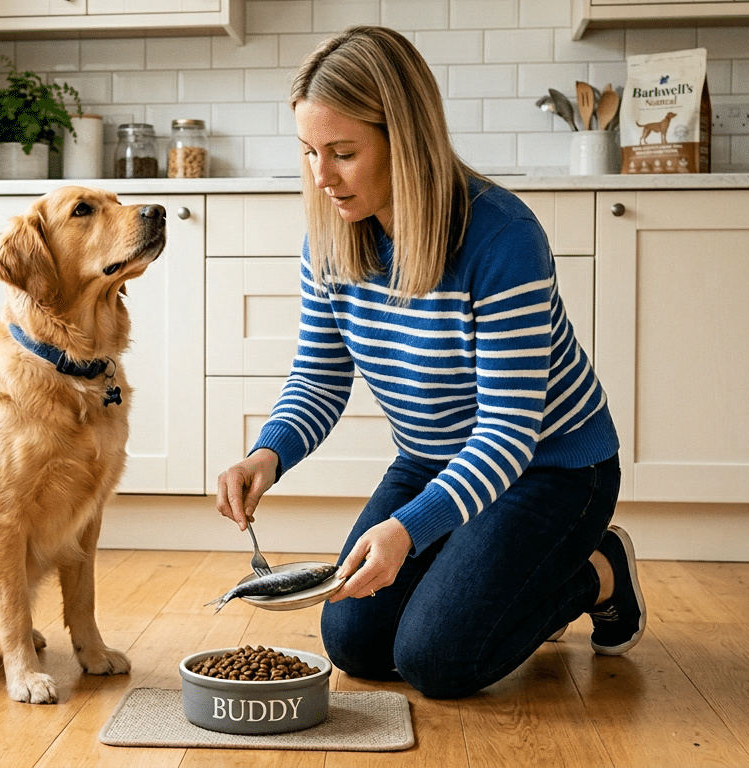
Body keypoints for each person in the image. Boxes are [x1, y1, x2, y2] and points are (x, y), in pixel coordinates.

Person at [214, 26, 646, 700]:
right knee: (355, 643)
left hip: (552, 466)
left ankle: (598, 570)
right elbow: (320, 378)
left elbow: (507, 435)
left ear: (404, 140)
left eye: (343, 153)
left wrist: (409, 529)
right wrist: (265, 456)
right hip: (435, 458)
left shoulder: (502, 237)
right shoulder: (330, 242)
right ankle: (500, 569)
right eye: (308, 152)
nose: (321, 177)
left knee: (439, 660)